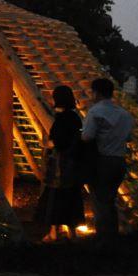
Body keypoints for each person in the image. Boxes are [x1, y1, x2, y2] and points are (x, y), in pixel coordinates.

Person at [80, 77, 134, 241]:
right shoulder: (124, 114)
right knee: (110, 200)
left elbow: (87, 136)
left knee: (100, 203)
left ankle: (103, 240)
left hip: (103, 160)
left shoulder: (96, 112)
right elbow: (129, 137)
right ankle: (113, 237)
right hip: (120, 160)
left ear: (96, 93)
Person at [35, 85, 86, 241]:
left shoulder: (62, 119)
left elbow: (57, 142)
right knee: (71, 196)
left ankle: (53, 232)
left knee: (54, 197)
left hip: (60, 165)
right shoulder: (76, 117)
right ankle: (72, 233)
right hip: (73, 164)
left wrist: (47, 144)